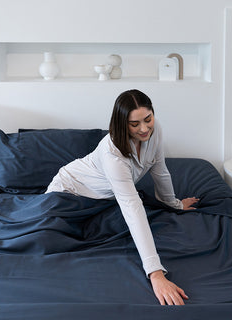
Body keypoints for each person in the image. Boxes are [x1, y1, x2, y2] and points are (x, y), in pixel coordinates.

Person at [46, 89, 199, 305]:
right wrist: (155, 273)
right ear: (121, 123)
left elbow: (160, 170)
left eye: (148, 119)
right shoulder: (112, 155)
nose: (144, 128)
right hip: (68, 192)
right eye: (135, 124)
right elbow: (131, 207)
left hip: (101, 201)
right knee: (50, 241)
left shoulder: (155, 131)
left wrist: (174, 204)